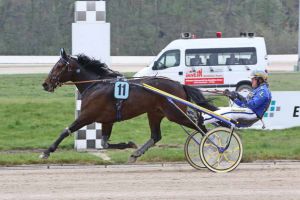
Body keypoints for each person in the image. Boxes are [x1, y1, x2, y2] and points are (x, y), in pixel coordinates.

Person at [203, 70, 272, 127]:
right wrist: (233, 97)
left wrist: (239, 96)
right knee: (221, 109)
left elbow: (252, 104)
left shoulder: (263, 91)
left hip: (252, 114)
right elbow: (244, 104)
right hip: (248, 111)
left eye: (253, 79)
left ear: (259, 80)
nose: (251, 81)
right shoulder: (257, 90)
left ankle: (202, 120)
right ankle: (206, 117)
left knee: (229, 110)